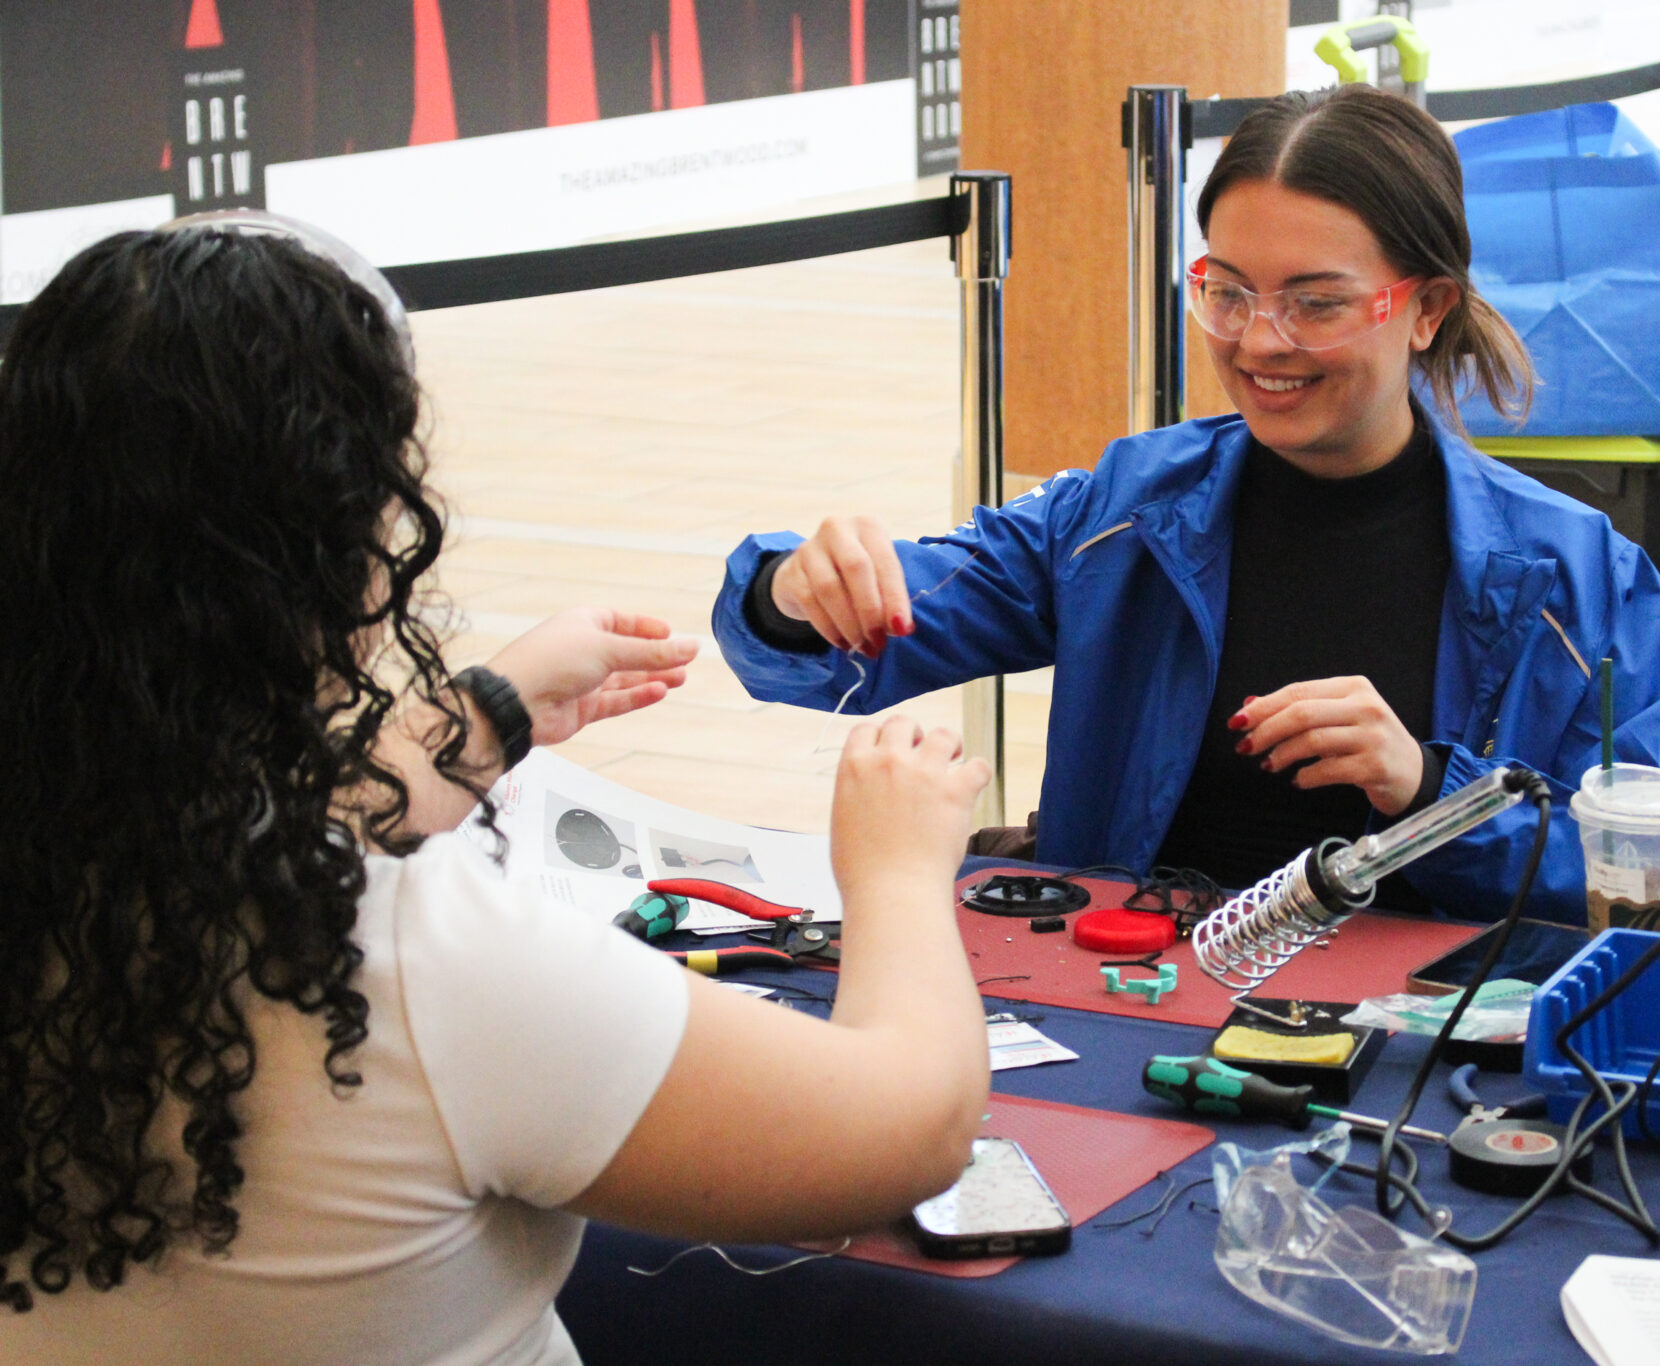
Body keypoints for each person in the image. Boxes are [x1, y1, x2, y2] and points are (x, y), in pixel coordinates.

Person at [0, 223, 992, 1364]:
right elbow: (907, 1127)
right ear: (349, 545)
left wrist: (481, 719)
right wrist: (898, 872)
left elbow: (237, 833)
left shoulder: (73, 847)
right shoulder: (412, 958)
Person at [712, 84, 1660, 923]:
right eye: (1226, 291)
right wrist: (794, 591)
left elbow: (1645, 880)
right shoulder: (1128, 510)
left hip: (1416, 1058)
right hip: (1127, 1009)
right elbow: (888, 622)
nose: (1260, 341)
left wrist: (1426, 791)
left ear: (1426, 307)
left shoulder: (1581, 583)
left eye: (1313, 303)